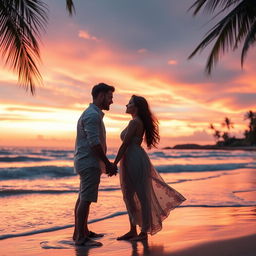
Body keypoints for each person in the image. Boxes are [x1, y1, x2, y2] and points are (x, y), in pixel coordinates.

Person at [114, 95, 186, 241]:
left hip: (133, 159)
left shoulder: (135, 122)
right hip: (131, 158)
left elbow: (125, 144)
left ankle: (143, 232)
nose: (126, 106)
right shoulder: (135, 122)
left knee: (139, 195)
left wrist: (113, 164)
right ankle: (134, 230)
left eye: (129, 103)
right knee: (128, 195)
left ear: (136, 107)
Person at [73, 83, 117, 246]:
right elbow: (94, 143)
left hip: (87, 161)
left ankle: (82, 231)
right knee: (86, 199)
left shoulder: (93, 114)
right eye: (110, 97)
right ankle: (80, 238)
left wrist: (104, 164)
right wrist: (108, 164)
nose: (111, 101)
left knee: (83, 197)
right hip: (89, 162)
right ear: (100, 96)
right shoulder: (92, 115)